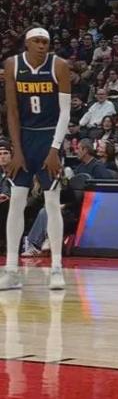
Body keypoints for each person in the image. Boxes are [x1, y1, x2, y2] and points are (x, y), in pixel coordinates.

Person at [0, 27, 70, 290]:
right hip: (24, 137)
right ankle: (11, 270)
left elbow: (65, 113)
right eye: (37, 41)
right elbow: (12, 112)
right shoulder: (13, 65)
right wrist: (16, 150)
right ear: (27, 44)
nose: (42, 45)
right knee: (16, 201)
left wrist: (54, 149)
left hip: (50, 137)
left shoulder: (59, 66)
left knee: (52, 202)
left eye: (46, 42)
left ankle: (56, 268)